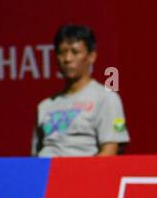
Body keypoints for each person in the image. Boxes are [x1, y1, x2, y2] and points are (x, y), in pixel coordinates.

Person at [33, 24, 130, 157]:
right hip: (45, 175)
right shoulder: (45, 106)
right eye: (62, 52)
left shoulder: (106, 98)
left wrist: (81, 175)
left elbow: (110, 151)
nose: (67, 59)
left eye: (75, 52)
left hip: (82, 174)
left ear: (91, 56)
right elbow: (34, 157)